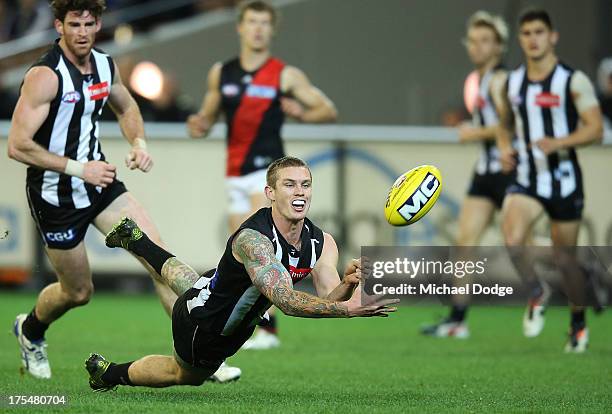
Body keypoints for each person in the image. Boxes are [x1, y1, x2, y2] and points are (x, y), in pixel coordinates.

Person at [7, 0, 237, 382]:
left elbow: (127, 107)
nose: (82, 32)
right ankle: (30, 330)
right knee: (78, 292)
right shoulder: (44, 77)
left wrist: (139, 144)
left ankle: (199, 355)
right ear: (58, 27)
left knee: (158, 260)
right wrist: (81, 168)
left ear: (98, 25)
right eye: (74, 24)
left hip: (102, 186)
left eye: (89, 24)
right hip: (57, 196)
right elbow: (17, 144)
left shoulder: (104, 64)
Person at [85, 156, 396, 390]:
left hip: (210, 289)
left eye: (305, 184)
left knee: (190, 283)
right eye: (289, 184)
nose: (299, 191)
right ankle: (108, 373)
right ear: (270, 193)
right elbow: (286, 302)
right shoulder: (254, 241)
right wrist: (349, 309)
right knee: (185, 376)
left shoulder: (322, 241)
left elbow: (328, 295)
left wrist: (346, 284)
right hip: (206, 327)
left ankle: (139, 241)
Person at [187, 0, 337, 349]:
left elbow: (327, 110)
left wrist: (301, 112)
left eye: (264, 23)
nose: (257, 28)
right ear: (240, 27)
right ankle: (255, 325)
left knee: (265, 246)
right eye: (251, 21)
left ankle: (269, 330)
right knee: (243, 258)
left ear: (272, 29)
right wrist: (199, 124)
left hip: (266, 172)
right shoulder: (220, 73)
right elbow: (206, 117)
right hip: (234, 174)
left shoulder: (284, 74)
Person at [495, 9, 603, 352]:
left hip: (563, 179)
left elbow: (596, 129)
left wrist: (560, 142)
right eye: (526, 33)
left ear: (552, 36)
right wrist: (503, 148)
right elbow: (504, 124)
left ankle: (577, 323)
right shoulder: (513, 83)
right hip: (527, 177)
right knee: (512, 238)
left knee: (564, 259)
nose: (533, 39)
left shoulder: (572, 80)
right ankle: (536, 290)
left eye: (539, 31)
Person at [421, 11, 511, 339]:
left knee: (523, 247)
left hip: (509, 171)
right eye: (473, 40)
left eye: (485, 40)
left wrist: (473, 132)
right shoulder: (478, 80)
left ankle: (580, 270)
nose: (477, 47)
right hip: (485, 173)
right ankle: (457, 319)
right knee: (463, 243)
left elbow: (510, 125)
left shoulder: (501, 80)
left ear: (499, 46)